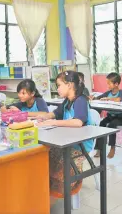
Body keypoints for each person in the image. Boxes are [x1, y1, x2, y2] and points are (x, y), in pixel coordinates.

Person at [37, 71, 93, 199]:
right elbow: (56, 112)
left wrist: (53, 122)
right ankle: (46, 190)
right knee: (43, 153)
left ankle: (57, 191)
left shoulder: (80, 100)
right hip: (67, 139)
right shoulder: (68, 101)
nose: (58, 89)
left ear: (69, 85)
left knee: (58, 162)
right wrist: (45, 117)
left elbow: (79, 122)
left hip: (80, 144)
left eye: (59, 85)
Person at [92, 72, 122, 159]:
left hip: (120, 117)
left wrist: (108, 99)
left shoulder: (121, 92)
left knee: (111, 125)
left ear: (116, 84)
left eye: (109, 83)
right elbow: (99, 97)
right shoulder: (108, 92)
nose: (107, 85)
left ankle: (112, 147)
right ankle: (99, 148)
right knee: (102, 124)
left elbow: (118, 99)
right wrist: (93, 98)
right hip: (110, 116)